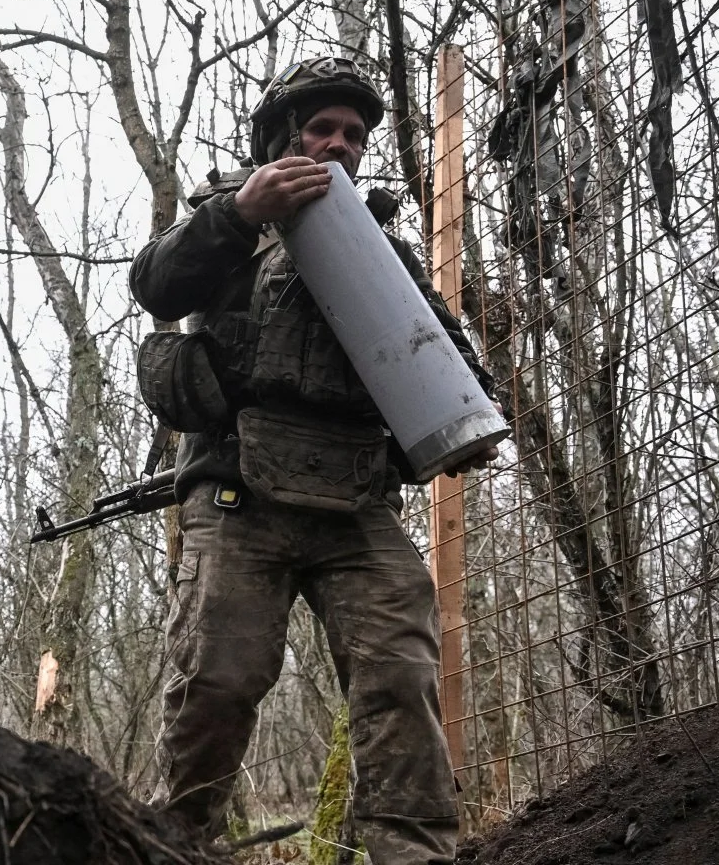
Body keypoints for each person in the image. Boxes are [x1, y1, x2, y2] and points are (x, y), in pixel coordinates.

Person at [130, 57, 499, 864]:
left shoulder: (385, 258)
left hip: (357, 501)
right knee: (216, 684)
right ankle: (177, 848)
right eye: (320, 128)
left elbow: (453, 365)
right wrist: (236, 212)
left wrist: (464, 425)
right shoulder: (223, 227)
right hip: (237, 493)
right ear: (279, 138)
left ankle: (413, 856)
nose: (338, 144)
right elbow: (155, 284)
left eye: (353, 134)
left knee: (400, 682)